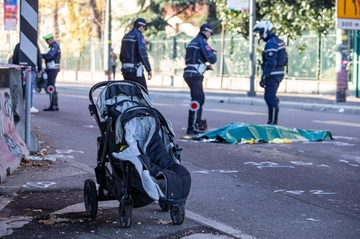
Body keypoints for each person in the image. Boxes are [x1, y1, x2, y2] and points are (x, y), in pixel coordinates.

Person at [183, 23, 217, 135]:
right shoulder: (202, 42)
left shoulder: (193, 42)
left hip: (189, 73)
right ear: (207, 32)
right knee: (197, 99)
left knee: (200, 98)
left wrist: (205, 67)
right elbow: (211, 58)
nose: (209, 36)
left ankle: (197, 122)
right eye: (210, 34)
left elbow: (193, 58)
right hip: (195, 75)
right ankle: (191, 127)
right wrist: (214, 54)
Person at [253, 20, 287, 125]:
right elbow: (285, 59)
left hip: (273, 74)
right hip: (279, 72)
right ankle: (272, 119)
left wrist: (264, 77)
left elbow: (271, 62)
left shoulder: (271, 43)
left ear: (266, 30)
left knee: (269, 97)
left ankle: (272, 123)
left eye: (261, 33)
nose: (260, 36)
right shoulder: (278, 41)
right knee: (271, 96)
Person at [120, 18, 152, 90]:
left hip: (125, 70)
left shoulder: (125, 36)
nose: (144, 30)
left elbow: (121, 55)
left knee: (129, 92)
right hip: (135, 70)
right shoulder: (139, 37)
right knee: (143, 92)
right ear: (141, 27)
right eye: (144, 28)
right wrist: (149, 69)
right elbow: (143, 55)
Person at [12, 42, 43, 113]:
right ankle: (29, 106)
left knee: (20, 87)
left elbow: (15, 57)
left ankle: (20, 105)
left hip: (20, 69)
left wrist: (15, 67)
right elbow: (38, 57)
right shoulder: (34, 44)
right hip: (30, 69)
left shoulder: (18, 45)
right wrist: (40, 68)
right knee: (29, 87)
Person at [41, 33, 61, 111]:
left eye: (47, 41)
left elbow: (49, 55)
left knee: (51, 87)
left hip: (52, 69)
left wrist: (41, 55)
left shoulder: (54, 46)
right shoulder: (55, 46)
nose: (46, 42)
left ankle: (53, 105)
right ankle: (54, 105)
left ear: (51, 39)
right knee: (52, 86)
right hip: (53, 69)